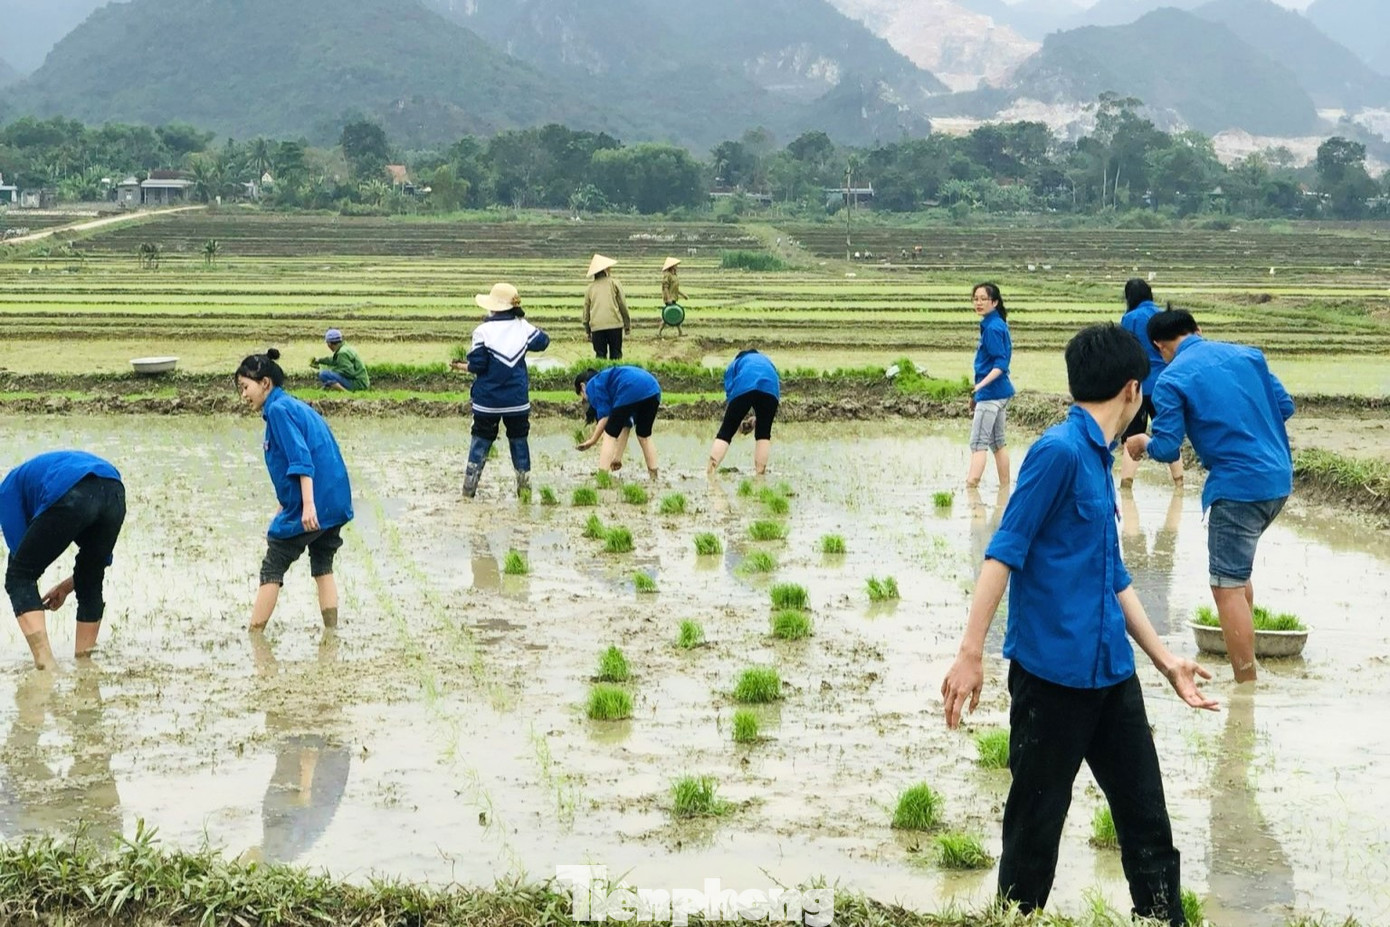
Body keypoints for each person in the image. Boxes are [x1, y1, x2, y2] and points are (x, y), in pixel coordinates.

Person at [942, 323, 1218, 927]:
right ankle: (1015, 920)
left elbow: (1115, 577)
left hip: (1112, 678)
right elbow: (1003, 551)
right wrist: (971, 652)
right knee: (1034, 832)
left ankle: (1162, 920)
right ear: (1132, 390)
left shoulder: (1098, 459)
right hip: (1051, 680)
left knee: (1148, 823)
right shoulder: (1058, 454)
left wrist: (1167, 662)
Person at [1125, 309, 1294, 683]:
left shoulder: (1172, 379)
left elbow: (1168, 447)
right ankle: (1245, 657)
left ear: (1159, 346)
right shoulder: (1249, 355)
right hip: (1279, 478)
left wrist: (1142, 442)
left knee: (1225, 585)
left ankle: (1245, 685)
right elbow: (1285, 406)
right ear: (1198, 330)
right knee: (1236, 573)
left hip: (1238, 488)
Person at [236, 349, 354, 632]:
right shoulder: (293, 405)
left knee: (272, 566)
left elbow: (302, 459)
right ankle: (331, 632)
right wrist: (285, 505)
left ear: (265, 383)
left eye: (245, 387)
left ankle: (255, 636)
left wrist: (308, 506)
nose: (242, 395)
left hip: (315, 503)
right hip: (334, 502)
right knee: (323, 565)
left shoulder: (277, 410)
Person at [1, 450, 126, 669]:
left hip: (72, 489)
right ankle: (85, 665)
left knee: (18, 577)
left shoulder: (7, 491)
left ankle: (46, 666)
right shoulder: (29, 479)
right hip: (114, 490)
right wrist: (66, 588)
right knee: (90, 578)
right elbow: (99, 560)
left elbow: (21, 560)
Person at [453, 282, 550, 499]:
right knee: (519, 440)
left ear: (494, 307)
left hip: (488, 402)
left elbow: (478, 365)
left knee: (480, 441)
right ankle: (524, 490)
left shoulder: (482, 331)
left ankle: (469, 489)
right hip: (517, 400)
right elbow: (543, 342)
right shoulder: (522, 327)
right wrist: (522, 324)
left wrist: (461, 366)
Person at [1118, 280, 1182, 488]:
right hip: (1164, 385)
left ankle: (1126, 486)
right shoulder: (1162, 317)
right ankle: (1179, 483)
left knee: (1133, 434)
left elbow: (1124, 351)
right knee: (1168, 433)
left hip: (1138, 386)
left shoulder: (1130, 318)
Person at [574, 366, 661, 479]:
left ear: (582, 386)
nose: (585, 399)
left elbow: (604, 418)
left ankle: (602, 477)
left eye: (582, 395)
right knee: (644, 436)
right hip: (653, 389)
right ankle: (654, 477)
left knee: (609, 434)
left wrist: (592, 441)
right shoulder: (610, 384)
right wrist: (617, 458)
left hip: (630, 387)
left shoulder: (592, 384)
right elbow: (626, 425)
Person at [966, 282, 1014, 488]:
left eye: (983, 299)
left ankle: (970, 487)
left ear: (994, 302)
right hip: (999, 393)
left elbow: (1001, 364)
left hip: (991, 395)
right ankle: (1005, 490)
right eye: (975, 299)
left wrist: (979, 388)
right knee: (998, 443)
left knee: (978, 444)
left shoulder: (993, 328)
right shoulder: (995, 324)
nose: (978, 303)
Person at [707, 349, 780, 477]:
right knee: (764, 433)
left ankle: (710, 472)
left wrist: (737, 422)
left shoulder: (736, 363)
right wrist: (757, 419)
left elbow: (732, 396)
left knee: (726, 431)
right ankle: (760, 475)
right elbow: (767, 390)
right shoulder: (767, 361)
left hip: (745, 385)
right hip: (771, 390)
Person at [583, 254, 630, 359]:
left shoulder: (590, 288)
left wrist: (588, 330)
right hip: (615, 325)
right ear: (605, 270)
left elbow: (586, 312)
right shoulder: (614, 283)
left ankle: (602, 375)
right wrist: (627, 325)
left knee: (600, 356)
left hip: (597, 327)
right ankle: (615, 375)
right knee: (616, 355)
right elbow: (622, 305)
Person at [659, 257, 687, 337]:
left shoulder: (674, 275)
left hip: (673, 297)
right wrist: (668, 298)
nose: (677, 266)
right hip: (670, 299)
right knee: (668, 316)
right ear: (672, 266)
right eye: (675, 265)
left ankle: (680, 332)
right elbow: (665, 288)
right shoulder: (667, 275)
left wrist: (683, 295)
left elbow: (675, 289)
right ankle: (659, 332)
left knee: (675, 314)